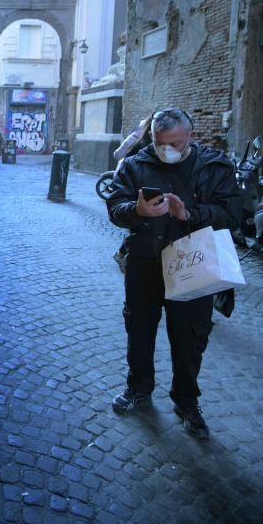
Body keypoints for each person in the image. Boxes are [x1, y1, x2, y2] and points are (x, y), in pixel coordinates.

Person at [105, 108, 242, 439]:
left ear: (190, 137)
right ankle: (139, 389)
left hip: (193, 265)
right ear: (151, 137)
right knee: (139, 330)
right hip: (145, 264)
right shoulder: (135, 165)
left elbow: (233, 214)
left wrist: (191, 213)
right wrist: (136, 211)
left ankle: (186, 402)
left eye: (174, 143)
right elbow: (114, 208)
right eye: (159, 142)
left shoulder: (214, 166)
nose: (166, 148)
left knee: (189, 337)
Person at [110, 115, 154, 271]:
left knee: (143, 222)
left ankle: (123, 253)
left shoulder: (140, 133)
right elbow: (118, 153)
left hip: (143, 185)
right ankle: (122, 253)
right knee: (138, 222)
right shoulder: (139, 137)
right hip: (134, 183)